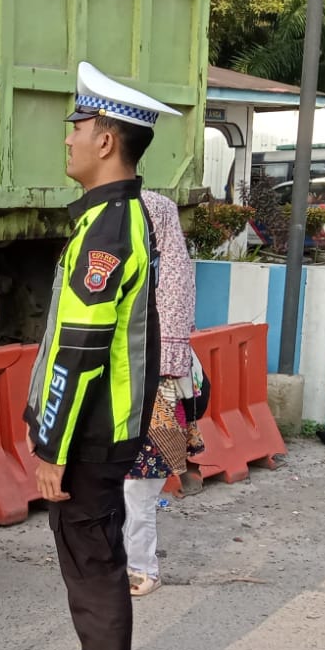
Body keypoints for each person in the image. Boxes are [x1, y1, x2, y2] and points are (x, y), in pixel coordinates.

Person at [21, 61, 176, 650]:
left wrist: (50, 447)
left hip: (89, 428)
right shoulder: (114, 219)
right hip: (101, 423)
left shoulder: (109, 230)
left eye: (77, 126)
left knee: (93, 556)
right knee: (90, 549)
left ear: (107, 139)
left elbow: (79, 352)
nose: (69, 139)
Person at [124, 189, 197, 598]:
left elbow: (168, 357)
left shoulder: (168, 283)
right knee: (126, 491)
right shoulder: (153, 278)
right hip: (135, 401)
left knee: (138, 492)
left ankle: (142, 568)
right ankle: (128, 564)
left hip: (154, 403)